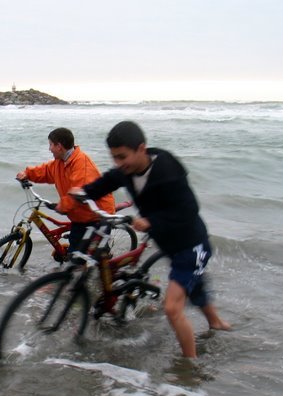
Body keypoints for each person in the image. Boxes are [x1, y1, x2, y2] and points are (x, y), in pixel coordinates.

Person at [74, 121, 230, 358]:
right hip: (170, 244)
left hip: (192, 246)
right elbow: (109, 180)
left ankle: (190, 367)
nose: (118, 163)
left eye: (122, 156)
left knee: (172, 308)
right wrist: (84, 193)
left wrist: (152, 221)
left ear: (141, 148)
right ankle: (217, 323)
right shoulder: (128, 171)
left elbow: (188, 210)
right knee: (195, 287)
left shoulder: (168, 170)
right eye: (114, 157)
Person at [16, 127, 115, 252]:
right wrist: (27, 174)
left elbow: (79, 192)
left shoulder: (81, 164)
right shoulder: (60, 162)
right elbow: (45, 171)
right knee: (75, 253)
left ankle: (104, 262)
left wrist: (62, 206)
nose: (49, 148)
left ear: (59, 146)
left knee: (83, 258)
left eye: (51, 144)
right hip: (80, 215)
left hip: (96, 216)